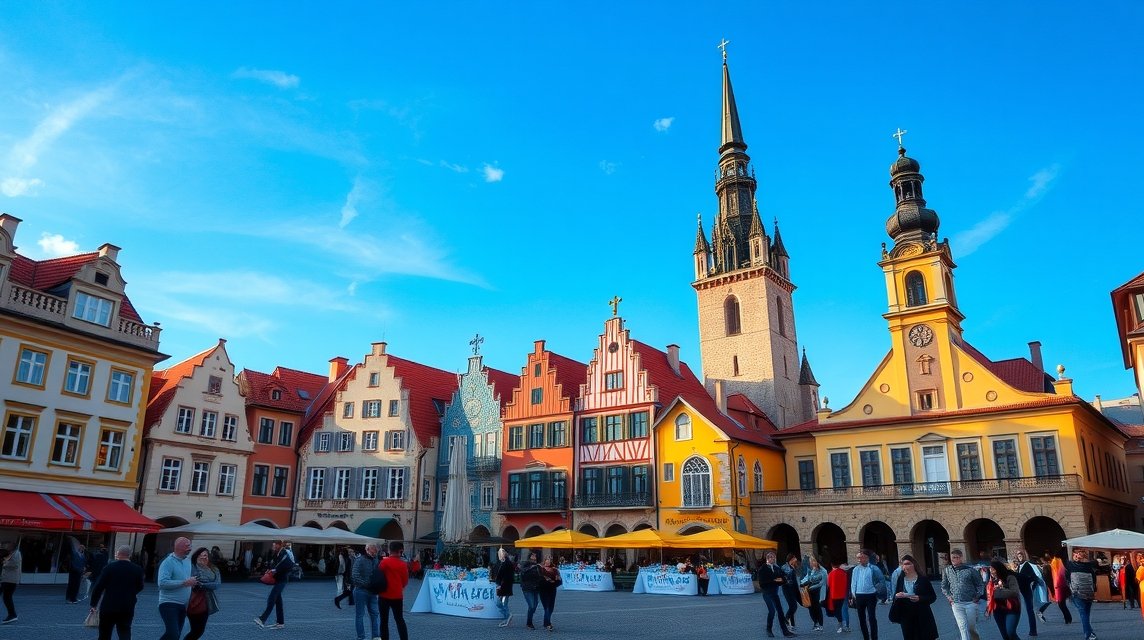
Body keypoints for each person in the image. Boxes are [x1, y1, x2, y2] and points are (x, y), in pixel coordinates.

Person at [89, 545, 144, 640]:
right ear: (130, 555)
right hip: (127, 606)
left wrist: (93, 604)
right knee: (125, 631)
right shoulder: (137, 569)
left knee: (104, 633)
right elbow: (140, 586)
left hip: (109, 605)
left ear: (118, 554)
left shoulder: (109, 567)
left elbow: (98, 587)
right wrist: (131, 593)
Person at [888, 554, 937, 640]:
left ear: (914, 564)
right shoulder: (900, 579)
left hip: (922, 613)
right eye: (903, 564)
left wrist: (920, 598)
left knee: (924, 636)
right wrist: (897, 596)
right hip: (905, 614)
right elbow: (895, 594)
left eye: (907, 563)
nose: (905, 566)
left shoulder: (923, 579)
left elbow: (932, 597)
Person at [158, 537, 197, 640]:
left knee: (177, 634)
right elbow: (162, 583)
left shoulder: (188, 561)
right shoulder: (168, 562)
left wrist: (192, 582)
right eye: (188, 546)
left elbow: (186, 579)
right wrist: (184, 583)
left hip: (183, 605)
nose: (190, 548)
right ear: (179, 547)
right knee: (173, 634)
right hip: (169, 604)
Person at [940, 548, 984, 640]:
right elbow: (944, 586)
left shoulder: (970, 570)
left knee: (972, 627)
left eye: (956, 557)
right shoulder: (947, 571)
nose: (953, 559)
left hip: (970, 602)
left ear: (961, 558)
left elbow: (980, 584)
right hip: (956, 603)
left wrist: (977, 596)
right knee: (962, 627)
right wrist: (949, 597)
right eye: (952, 557)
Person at [254, 539, 293, 629]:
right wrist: (270, 569)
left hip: (282, 580)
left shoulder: (284, 553)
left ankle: (262, 619)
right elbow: (275, 564)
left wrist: (275, 570)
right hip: (278, 580)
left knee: (272, 598)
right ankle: (280, 623)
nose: (273, 546)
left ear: (279, 545)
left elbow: (288, 564)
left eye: (274, 545)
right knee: (278, 602)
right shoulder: (277, 553)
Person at [184, 547, 220, 640]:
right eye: (200, 555)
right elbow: (194, 581)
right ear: (196, 556)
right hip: (193, 601)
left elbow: (216, 585)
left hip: (207, 602)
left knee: (200, 630)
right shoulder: (192, 567)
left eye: (205, 555)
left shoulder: (214, 569)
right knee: (195, 630)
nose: (203, 557)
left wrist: (202, 584)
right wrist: (204, 583)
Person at [849, 549, 885, 640]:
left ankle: (874, 637)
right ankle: (865, 637)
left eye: (863, 557)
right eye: (860, 557)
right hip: (859, 596)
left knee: (872, 618)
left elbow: (881, 580)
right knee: (861, 619)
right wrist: (853, 595)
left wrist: (878, 591)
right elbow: (853, 582)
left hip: (871, 595)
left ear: (868, 558)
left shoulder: (874, 568)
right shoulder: (856, 569)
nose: (861, 559)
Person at [378, 541, 411, 640]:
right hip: (397, 596)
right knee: (399, 620)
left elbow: (379, 577)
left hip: (384, 595)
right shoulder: (403, 564)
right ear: (400, 551)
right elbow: (405, 582)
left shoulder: (384, 562)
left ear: (389, 550)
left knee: (384, 621)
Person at [758, 551, 794, 637]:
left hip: (774, 593)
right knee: (772, 611)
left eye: (774, 557)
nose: (772, 558)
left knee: (780, 612)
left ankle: (785, 631)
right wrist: (775, 580)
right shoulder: (763, 568)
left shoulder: (777, 568)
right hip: (767, 593)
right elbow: (762, 583)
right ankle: (769, 629)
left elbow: (783, 579)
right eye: (770, 557)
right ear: (767, 559)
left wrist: (777, 580)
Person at [1065, 547, 1097, 640]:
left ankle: (1088, 634)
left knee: (1083, 613)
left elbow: (1067, 577)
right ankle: (1090, 632)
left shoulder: (1070, 565)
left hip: (1078, 593)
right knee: (1086, 613)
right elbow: (1094, 579)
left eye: (1077, 553)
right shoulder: (1089, 566)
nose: (1076, 555)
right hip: (1089, 592)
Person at [986, 560, 1021, 640]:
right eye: (990, 569)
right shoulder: (991, 580)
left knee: (1010, 632)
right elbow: (987, 595)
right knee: (1005, 635)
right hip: (998, 610)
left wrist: (997, 591)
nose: (991, 571)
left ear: (999, 569)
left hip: (1012, 608)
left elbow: (1015, 592)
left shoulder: (1010, 577)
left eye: (993, 569)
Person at [350, 543, 379, 640]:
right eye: (372, 551)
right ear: (367, 550)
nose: (374, 553)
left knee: (375, 614)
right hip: (361, 591)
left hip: (373, 592)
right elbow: (354, 576)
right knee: (360, 615)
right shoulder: (360, 560)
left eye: (376, 552)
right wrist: (367, 584)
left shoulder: (376, 560)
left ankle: (376, 636)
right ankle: (361, 637)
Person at [1014, 550, 1041, 637]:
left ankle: (1033, 631)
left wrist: (1030, 583)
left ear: (1024, 555)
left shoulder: (1028, 565)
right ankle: (1032, 630)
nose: (1020, 555)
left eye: (1021, 554)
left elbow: (1034, 577)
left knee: (1030, 610)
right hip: (1022, 591)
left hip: (1027, 590)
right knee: (1028, 610)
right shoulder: (1019, 566)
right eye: (1018, 554)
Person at [799, 556, 827, 631]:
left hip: (818, 591)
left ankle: (821, 625)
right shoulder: (810, 570)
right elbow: (807, 579)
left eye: (813, 561)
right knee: (810, 608)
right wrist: (802, 583)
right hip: (809, 592)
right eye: (811, 562)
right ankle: (815, 623)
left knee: (817, 608)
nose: (812, 563)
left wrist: (812, 587)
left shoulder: (823, 571)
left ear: (818, 562)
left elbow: (822, 583)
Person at [493, 547, 516, 627]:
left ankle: (508, 616)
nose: (500, 554)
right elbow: (497, 573)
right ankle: (507, 617)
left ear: (505, 553)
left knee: (501, 603)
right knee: (499, 603)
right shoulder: (500, 562)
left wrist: (500, 585)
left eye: (502, 552)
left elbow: (508, 577)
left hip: (504, 587)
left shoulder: (507, 563)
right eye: (499, 553)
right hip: (500, 586)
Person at [826, 560, 851, 633]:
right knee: (844, 609)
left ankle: (840, 625)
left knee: (838, 610)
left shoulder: (831, 574)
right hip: (844, 593)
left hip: (835, 595)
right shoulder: (844, 572)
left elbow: (828, 585)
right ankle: (847, 626)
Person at [537, 556, 560, 631]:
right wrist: (548, 580)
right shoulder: (540, 569)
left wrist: (553, 581)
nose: (548, 562)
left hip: (552, 590)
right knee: (546, 607)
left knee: (551, 608)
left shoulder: (555, 570)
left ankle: (545, 622)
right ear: (544, 561)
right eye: (546, 560)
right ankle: (548, 623)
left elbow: (559, 581)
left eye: (549, 561)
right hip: (543, 590)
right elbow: (539, 579)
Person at [519, 552, 542, 629]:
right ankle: (529, 623)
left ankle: (529, 618)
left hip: (536, 588)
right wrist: (531, 567)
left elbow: (541, 576)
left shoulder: (538, 566)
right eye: (532, 555)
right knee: (531, 606)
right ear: (530, 557)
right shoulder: (526, 564)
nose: (534, 557)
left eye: (535, 555)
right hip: (527, 588)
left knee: (534, 606)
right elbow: (523, 572)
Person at [1051, 548, 1074, 624]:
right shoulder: (1064, 561)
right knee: (1062, 603)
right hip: (1063, 584)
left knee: (1060, 603)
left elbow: (1057, 574)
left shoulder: (1056, 561)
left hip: (1059, 585)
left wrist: (1056, 585)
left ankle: (1068, 618)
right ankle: (1067, 618)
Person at [1, 541, 21, 624]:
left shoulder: (16, 553)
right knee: (7, 597)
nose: (7, 546)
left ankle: (12, 615)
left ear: (13, 546)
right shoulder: (11, 553)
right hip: (7, 579)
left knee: (7, 597)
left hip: (10, 580)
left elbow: (15, 564)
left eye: (8, 545)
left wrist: (4, 563)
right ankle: (12, 615)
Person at [782, 554, 803, 630]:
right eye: (795, 558)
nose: (796, 559)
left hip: (794, 589)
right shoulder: (785, 567)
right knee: (793, 606)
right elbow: (787, 578)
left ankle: (792, 625)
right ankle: (785, 619)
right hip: (788, 590)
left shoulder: (792, 566)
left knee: (799, 604)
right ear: (791, 559)